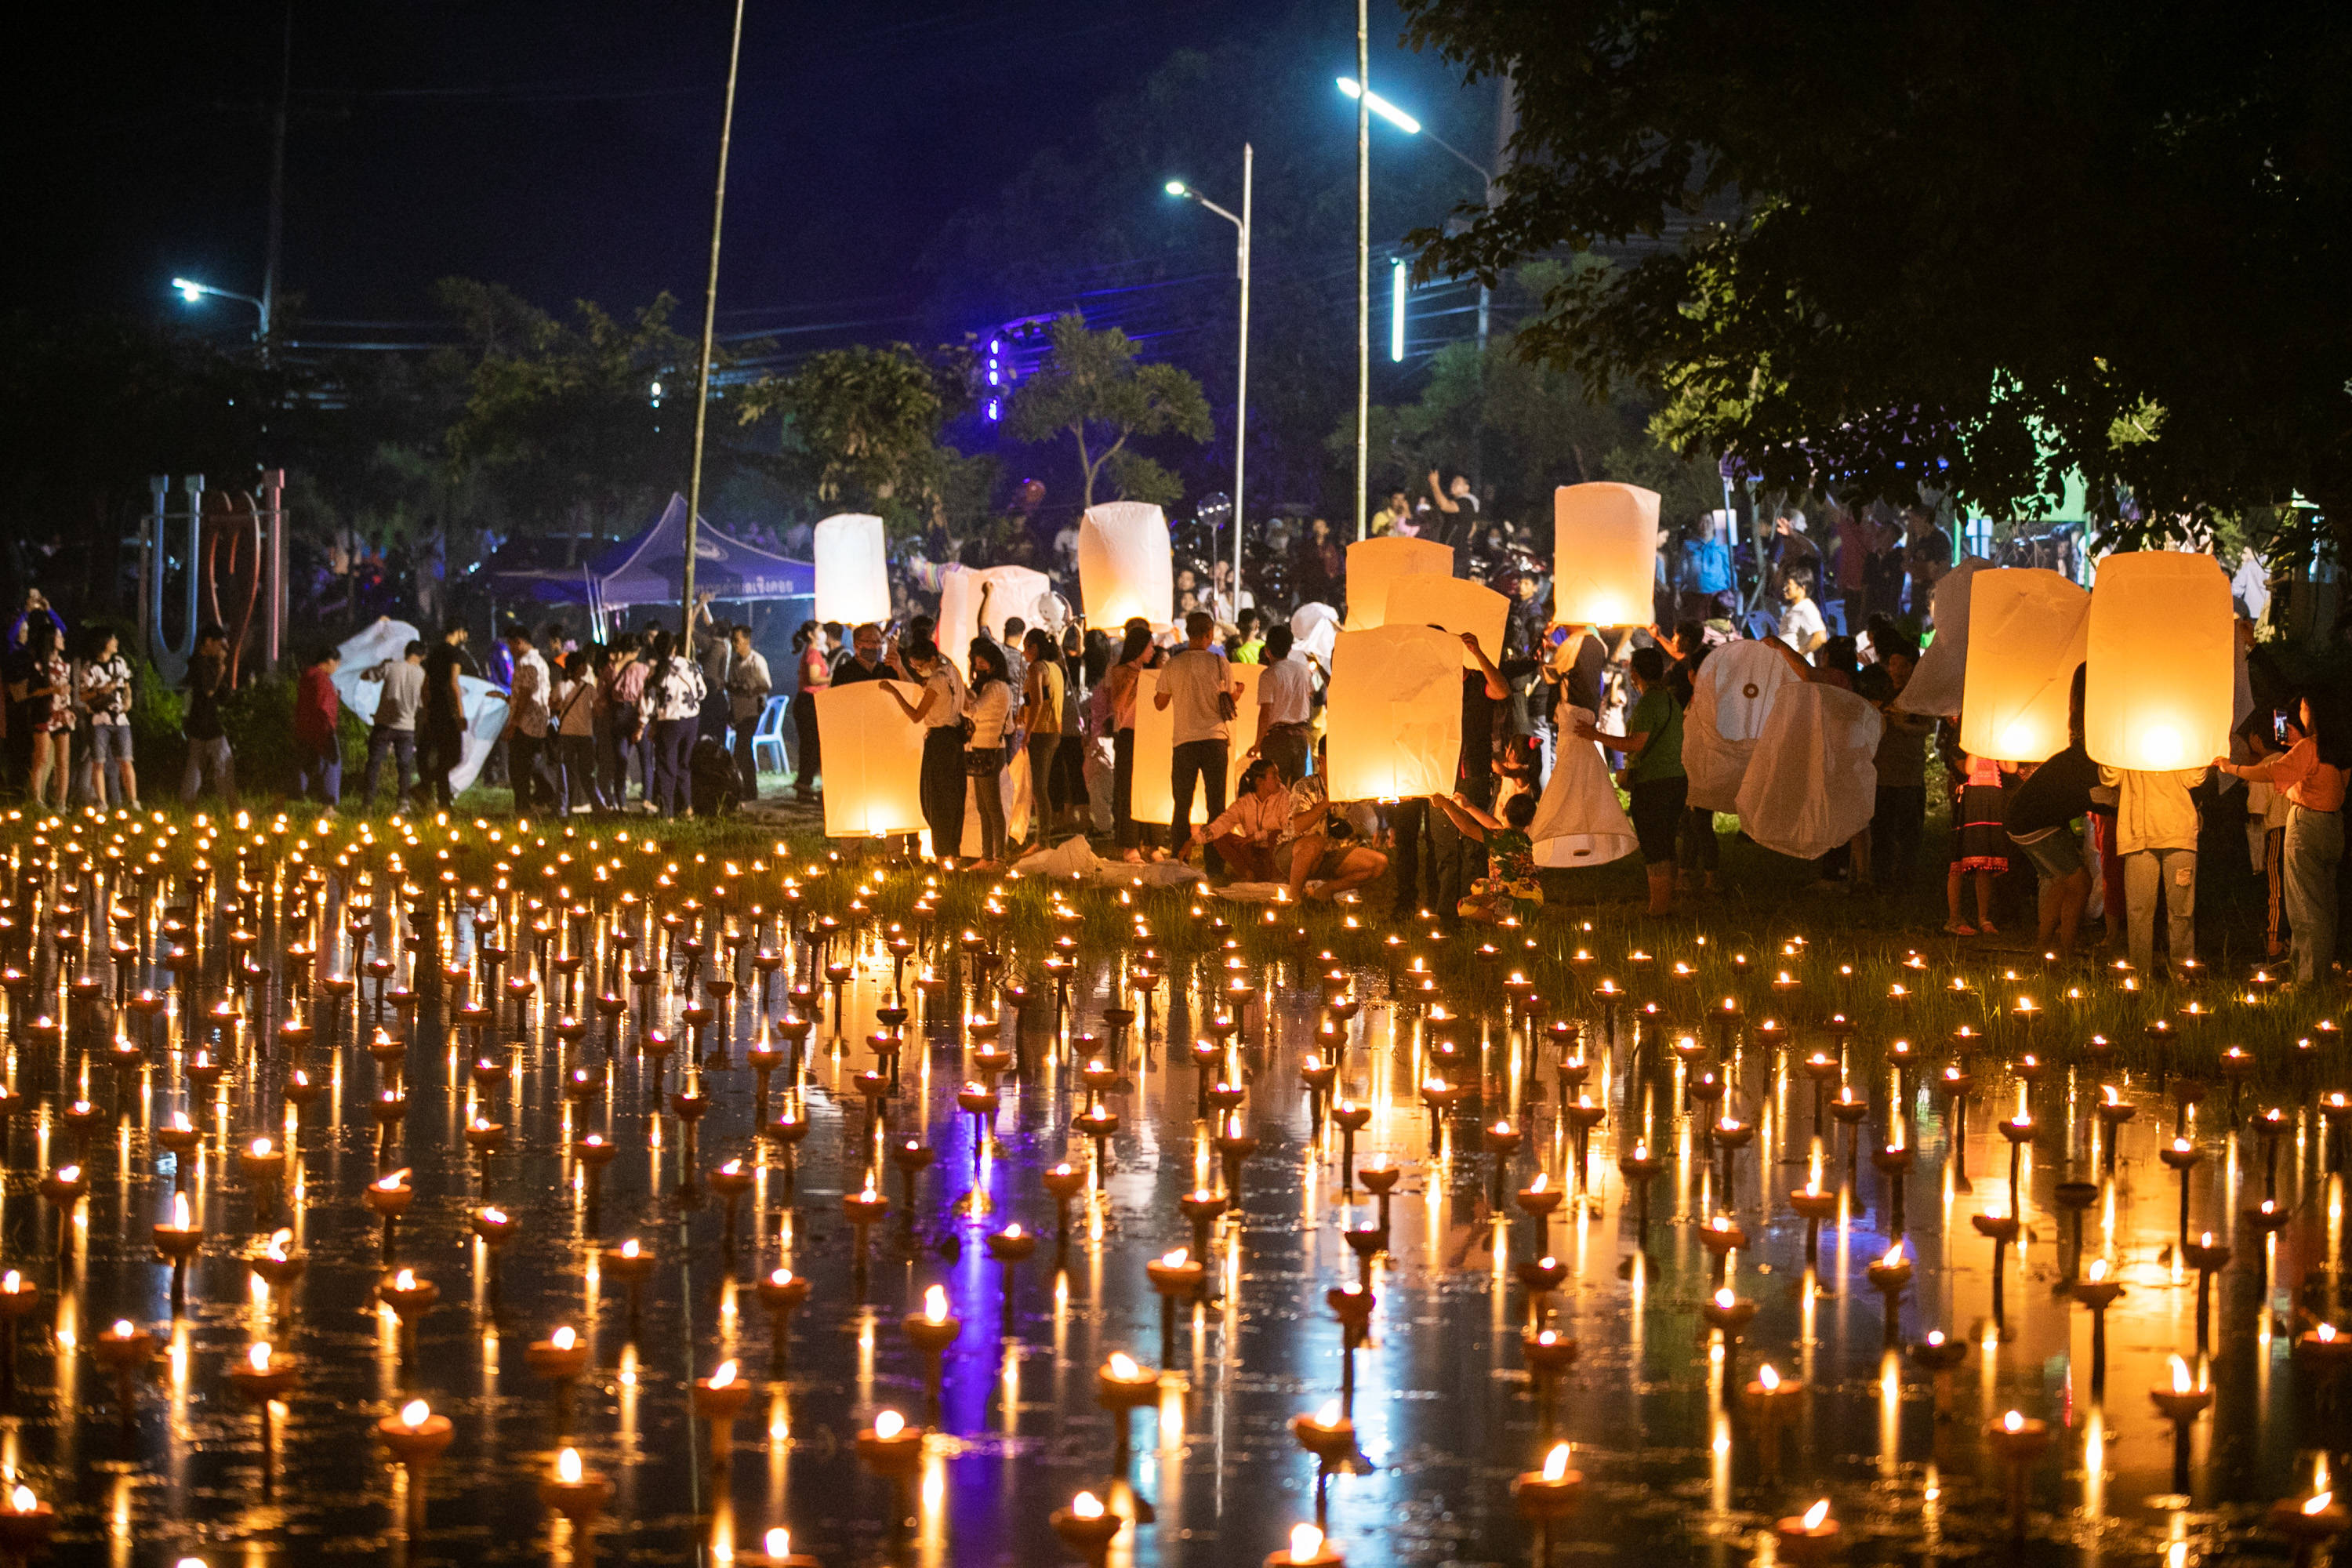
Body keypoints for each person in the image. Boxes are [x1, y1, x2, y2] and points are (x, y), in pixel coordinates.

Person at [2217, 691, 2347, 985]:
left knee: (2304, 906)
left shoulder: (2310, 747)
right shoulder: (2338, 748)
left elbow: (2271, 772)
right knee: (2326, 904)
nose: (2299, 713)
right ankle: (2319, 974)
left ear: (2314, 712)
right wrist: (2296, 749)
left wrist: (2232, 768)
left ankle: (2308, 982)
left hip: (2307, 824)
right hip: (2333, 826)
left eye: (2303, 707)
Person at [1581, 644, 1683, 915]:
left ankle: (1658, 908)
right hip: (1676, 779)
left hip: (1654, 783)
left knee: (1654, 846)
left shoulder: (1649, 702)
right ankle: (1668, 900)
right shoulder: (1670, 699)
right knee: (1667, 842)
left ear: (1635, 673)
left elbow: (1636, 743)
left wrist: (1595, 735)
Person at [2005, 683, 2097, 957]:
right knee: (2080, 883)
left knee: (2057, 880)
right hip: (2035, 824)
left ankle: (2044, 947)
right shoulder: (2086, 762)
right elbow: (2098, 799)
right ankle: (2066, 949)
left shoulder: (2075, 756)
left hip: (2021, 820)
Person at [2098, 756, 2209, 974]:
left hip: (2179, 833)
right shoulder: (2128, 739)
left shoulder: (2180, 736)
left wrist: (2200, 750)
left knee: (2181, 910)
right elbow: (2109, 777)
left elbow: (2195, 778)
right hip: (2138, 835)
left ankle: (2183, 975)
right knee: (2138, 911)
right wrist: (2108, 749)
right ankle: (2139, 977)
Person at [1155, 610, 1243, 872]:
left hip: (1184, 742)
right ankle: (1214, 863)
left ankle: (1178, 861)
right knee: (1216, 804)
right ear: (1208, 635)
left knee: (1181, 804)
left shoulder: (1173, 664)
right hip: (1215, 739)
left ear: (1188, 633)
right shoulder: (1219, 663)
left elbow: (1160, 703)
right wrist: (1237, 692)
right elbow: (1228, 699)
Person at [884, 640, 970, 863]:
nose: (918, 670)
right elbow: (922, 692)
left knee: (937, 800)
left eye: (919, 666)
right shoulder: (951, 671)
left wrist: (894, 691)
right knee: (952, 798)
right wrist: (901, 670)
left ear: (932, 660)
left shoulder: (937, 680)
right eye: (913, 667)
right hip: (954, 740)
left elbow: (916, 715)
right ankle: (953, 854)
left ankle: (943, 857)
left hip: (940, 742)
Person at [1868, 635, 1933, 893]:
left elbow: (1927, 728)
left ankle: (1906, 882)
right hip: (1882, 775)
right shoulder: (1882, 693)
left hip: (1909, 777)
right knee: (1881, 832)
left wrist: (1900, 724)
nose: (1895, 670)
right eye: (1892, 664)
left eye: (1902, 665)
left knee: (1908, 834)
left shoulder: (1920, 696)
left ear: (1913, 667)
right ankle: (1880, 881)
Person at [1431, 789, 1543, 923]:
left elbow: (1467, 829)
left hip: (1514, 903)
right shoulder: (1524, 839)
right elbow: (1493, 824)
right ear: (1530, 821)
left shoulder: (1498, 837)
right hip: (1533, 900)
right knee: (1478, 885)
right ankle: (1518, 917)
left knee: (1464, 905)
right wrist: (1468, 806)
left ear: (1503, 812)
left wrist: (1446, 805)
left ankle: (1503, 921)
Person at [1280, 769, 1388, 902]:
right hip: (1294, 852)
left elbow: (1366, 823)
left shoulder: (1346, 787)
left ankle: (1324, 892)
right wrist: (1327, 802)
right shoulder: (1305, 786)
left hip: (1330, 852)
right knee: (1315, 843)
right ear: (1322, 760)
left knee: (1379, 863)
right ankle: (1294, 900)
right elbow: (1299, 826)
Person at [958, 641, 1014, 869]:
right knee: (983, 806)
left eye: (983, 663)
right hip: (984, 748)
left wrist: (959, 691)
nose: (978, 667)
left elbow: (971, 710)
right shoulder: (994, 687)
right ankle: (987, 856)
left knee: (992, 807)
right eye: (976, 662)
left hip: (990, 748)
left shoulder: (996, 687)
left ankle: (998, 858)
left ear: (993, 664)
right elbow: (1009, 726)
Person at [1106, 621, 1160, 862]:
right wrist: (1133, 681)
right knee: (1128, 788)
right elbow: (1118, 707)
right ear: (1139, 648)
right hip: (1129, 734)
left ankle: (1153, 842)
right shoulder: (1120, 671)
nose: (1153, 651)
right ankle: (1130, 845)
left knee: (1151, 787)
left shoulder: (1152, 673)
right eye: (1150, 646)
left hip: (1149, 734)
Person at [1944, 739, 2008, 936]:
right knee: (1959, 863)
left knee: (1984, 863)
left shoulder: (1994, 746)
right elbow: (1969, 769)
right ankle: (1954, 918)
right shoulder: (1959, 748)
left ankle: (1984, 918)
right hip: (1970, 808)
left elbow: (2010, 767)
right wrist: (1975, 741)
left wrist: (2005, 743)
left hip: (1991, 805)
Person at [641, 629, 706, 818]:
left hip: (668, 722)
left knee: (666, 767)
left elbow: (649, 701)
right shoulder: (690, 665)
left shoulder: (657, 671)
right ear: (675, 647)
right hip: (691, 720)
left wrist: (649, 721)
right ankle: (688, 808)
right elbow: (702, 692)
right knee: (684, 764)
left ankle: (667, 813)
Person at [359, 639, 428, 813]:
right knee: (404, 766)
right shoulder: (422, 675)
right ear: (422, 656)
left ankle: (367, 804)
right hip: (406, 727)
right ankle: (403, 803)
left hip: (384, 724)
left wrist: (380, 664)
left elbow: (366, 676)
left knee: (374, 764)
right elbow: (422, 704)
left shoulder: (391, 667)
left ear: (406, 652)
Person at [8, 620, 71, 809]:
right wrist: (53, 689)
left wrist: (67, 690)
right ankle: (36, 800)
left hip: (62, 715)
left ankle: (61, 803)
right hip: (43, 714)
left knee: (63, 761)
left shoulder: (64, 665)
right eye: (59, 636)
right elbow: (32, 691)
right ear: (50, 640)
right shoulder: (37, 666)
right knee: (41, 758)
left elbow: (66, 688)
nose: (62, 639)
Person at [1193, 758, 1291, 879]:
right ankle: (1248, 874)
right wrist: (1194, 841)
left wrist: (1256, 836)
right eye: (1274, 776)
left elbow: (1288, 830)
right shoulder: (1245, 802)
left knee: (1276, 835)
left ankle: (1276, 878)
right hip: (1253, 853)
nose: (1279, 780)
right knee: (1222, 837)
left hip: (1274, 856)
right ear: (1260, 781)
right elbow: (1222, 823)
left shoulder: (1285, 798)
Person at [74, 626, 136, 808]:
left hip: (121, 719)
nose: (116, 642)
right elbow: (82, 695)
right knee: (98, 762)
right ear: (103, 643)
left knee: (126, 759)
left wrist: (128, 701)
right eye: (113, 639)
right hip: (99, 720)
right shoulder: (90, 668)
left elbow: (127, 684)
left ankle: (133, 801)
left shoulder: (120, 662)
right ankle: (102, 802)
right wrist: (99, 691)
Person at [497, 624, 553, 817]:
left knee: (518, 768)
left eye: (511, 645)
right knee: (532, 763)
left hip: (527, 723)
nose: (510, 650)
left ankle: (525, 805)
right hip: (537, 721)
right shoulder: (541, 662)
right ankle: (541, 797)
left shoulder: (527, 662)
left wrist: (514, 723)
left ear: (519, 642)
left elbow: (526, 694)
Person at [1250, 625, 1314, 784]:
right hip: (1300, 737)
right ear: (1290, 648)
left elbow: (1265, 713)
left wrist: (1257, 744)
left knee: (1276, 788)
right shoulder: (1303, 671)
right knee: (1297, 789)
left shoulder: (1269, 675)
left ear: (1267, 650)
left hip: (1277, 740)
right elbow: (1310, 696)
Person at [1019, 629, 1065, 849]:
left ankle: (1042, 840)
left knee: (1039, 788)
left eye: (1026, 646)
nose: (1024, 652)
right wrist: (1024, 710)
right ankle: (1042, 838)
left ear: (1034, 647)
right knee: (1041, 786)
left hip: (1041, 731)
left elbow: (1037, 701)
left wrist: (1027, 733)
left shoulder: (1036, 668)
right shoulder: (1055, 668)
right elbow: (1045, 698)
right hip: (1054, 731)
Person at [419, 625, 472, 811]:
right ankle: (427, 790)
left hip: (434, 710)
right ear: (459, 631)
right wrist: (460, 714)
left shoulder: (434, 653)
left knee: (443, 757)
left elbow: (425, 685)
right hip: (448, 712)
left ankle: (437, 797)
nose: (466, 636)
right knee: (454, 756)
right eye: (465, 633)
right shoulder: (454, 654)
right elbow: (453, 684)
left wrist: (427, 711)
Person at [598, 633, 648, 810]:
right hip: (635, 712)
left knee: (621, 758)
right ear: (637, 650)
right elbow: (644, 695)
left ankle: (621, 801)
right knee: (645, 758)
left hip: (617, 713)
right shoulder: (642, 669)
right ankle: (647, 799)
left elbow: (602, 695)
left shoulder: (610, 668)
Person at [550, 648, 601, 815]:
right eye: (583, 665)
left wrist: (560, 706)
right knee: (586, 772)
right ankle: (595, 804)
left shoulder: (562, 686)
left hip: (567, 734)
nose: (586, 668)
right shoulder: (589, 689)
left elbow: (553, 705)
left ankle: (567, 807)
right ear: (578, 667)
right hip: (585, 734)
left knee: (568, 772)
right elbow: (599, 709)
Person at [292, 646, 343, 808]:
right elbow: (323, 706)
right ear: (329, 661)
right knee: (332, 765)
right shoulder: (322, 679)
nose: (337, 667)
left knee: (303, 765)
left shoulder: (308, 676)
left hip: (304, 728)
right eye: (337, 663)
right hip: (322, 729)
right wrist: (327, 729)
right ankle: (329, 806)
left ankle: (286, 799)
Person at [725, 623, 772, 800]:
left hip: (752, 711)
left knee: (742, 748)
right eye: (733, 641)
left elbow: (766, 685)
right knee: (745, 750)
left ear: (747, 640)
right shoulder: (735, 663)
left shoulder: (756, 661)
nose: (735, 644)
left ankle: (745, 789)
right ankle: (748, 789)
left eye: (737, 640)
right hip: (739, 712)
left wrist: (748, 692)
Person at [789, 620, 828, 801]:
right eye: (820, 631)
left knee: (811, 746)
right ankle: (804, 784)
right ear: (812, 634)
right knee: (812, 746)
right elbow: (813, 679)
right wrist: (832, 677)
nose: (823, 634)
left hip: (809, 703)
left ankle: (805, 785)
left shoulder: (813, 652)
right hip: (809, 703)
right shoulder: (812, 653)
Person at [690, 591, 732, 744]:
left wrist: (700, 605)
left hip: (709, 695)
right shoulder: (726, 644)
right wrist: (705, 605)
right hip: (721, 696)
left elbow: (690, 627)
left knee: (705, 733)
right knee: (720, 736)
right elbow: (710, 623)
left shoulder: (710, 644)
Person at [1777, 571, 1827, 658]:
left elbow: (1821, 637)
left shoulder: (1806, 608)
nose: (1785, 588)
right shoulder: (1792, 608)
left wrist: (1799, 654)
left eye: (1789, 585)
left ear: (1802, 588)